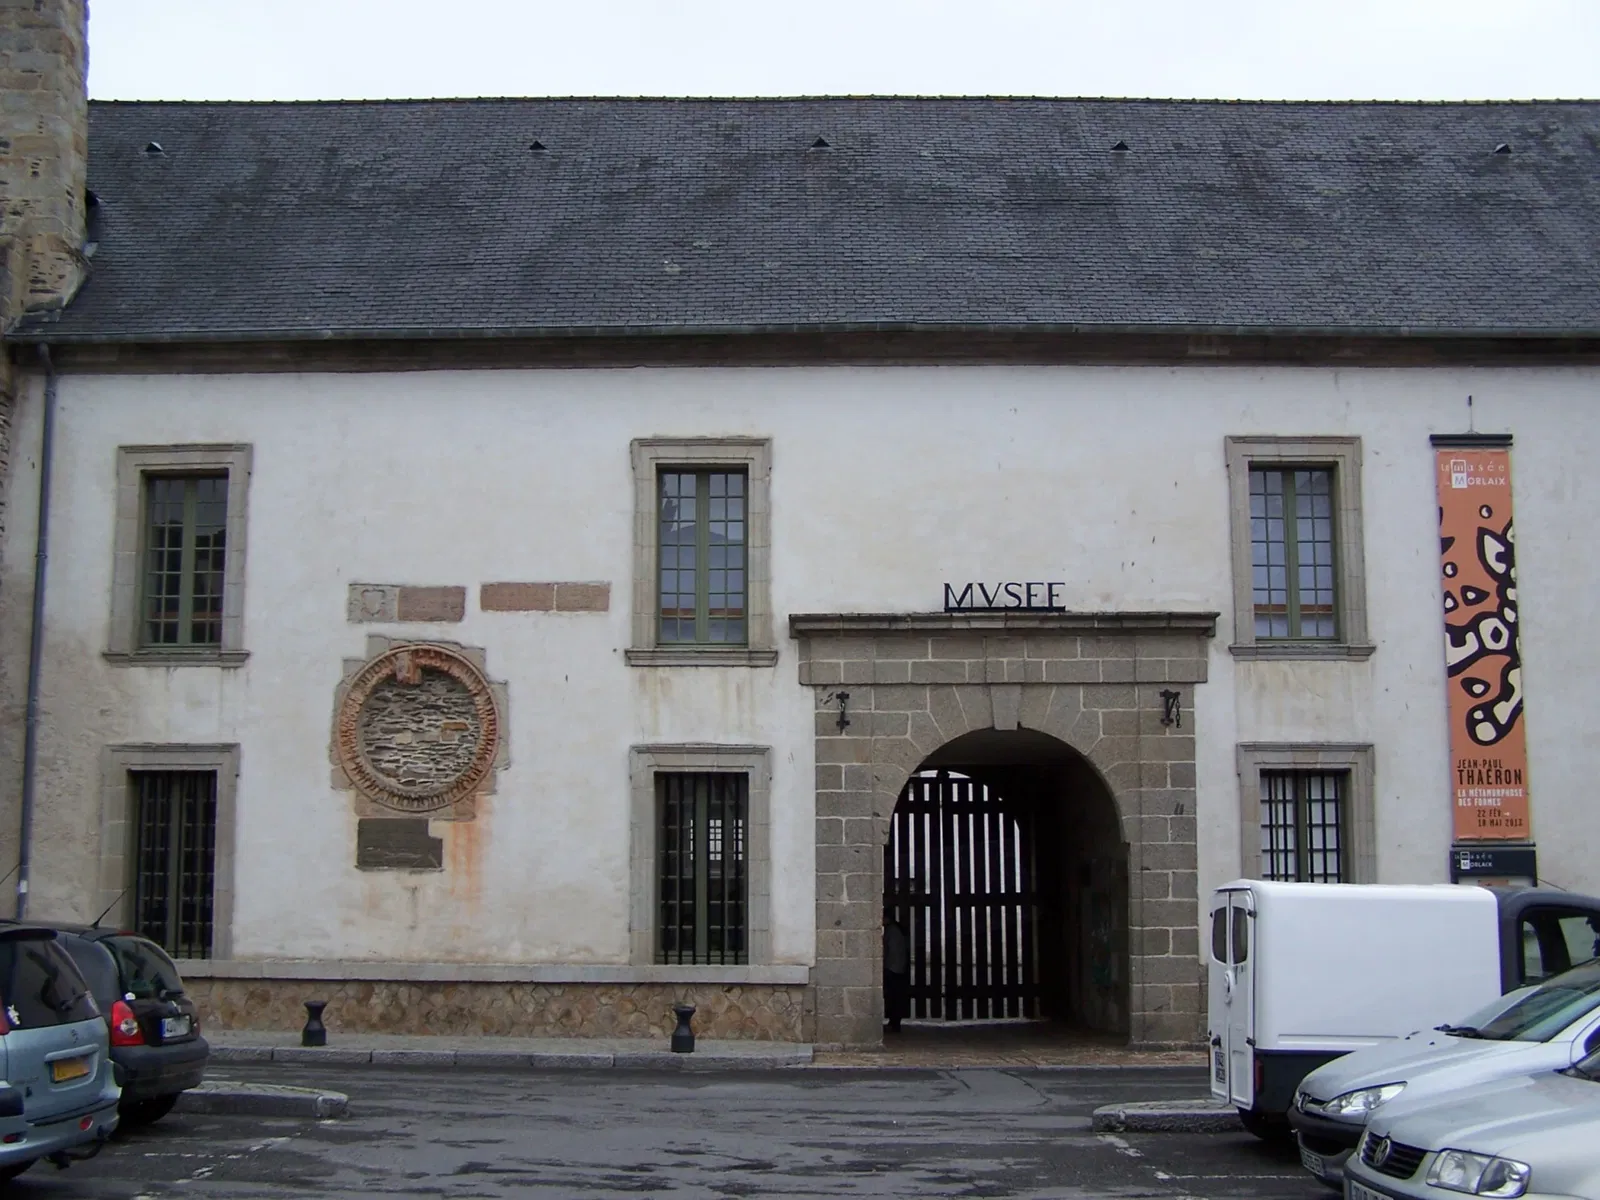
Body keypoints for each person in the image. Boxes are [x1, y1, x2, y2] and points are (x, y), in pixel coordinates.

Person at [882, 910, 911, 1033]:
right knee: (895, 997)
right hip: (897, 968)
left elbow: (891, 952)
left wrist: (886, 966)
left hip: (893, 968)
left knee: (893, 997)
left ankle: (894, 1023)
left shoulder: (892, 931)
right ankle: (894, 1022)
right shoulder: (894, 931)